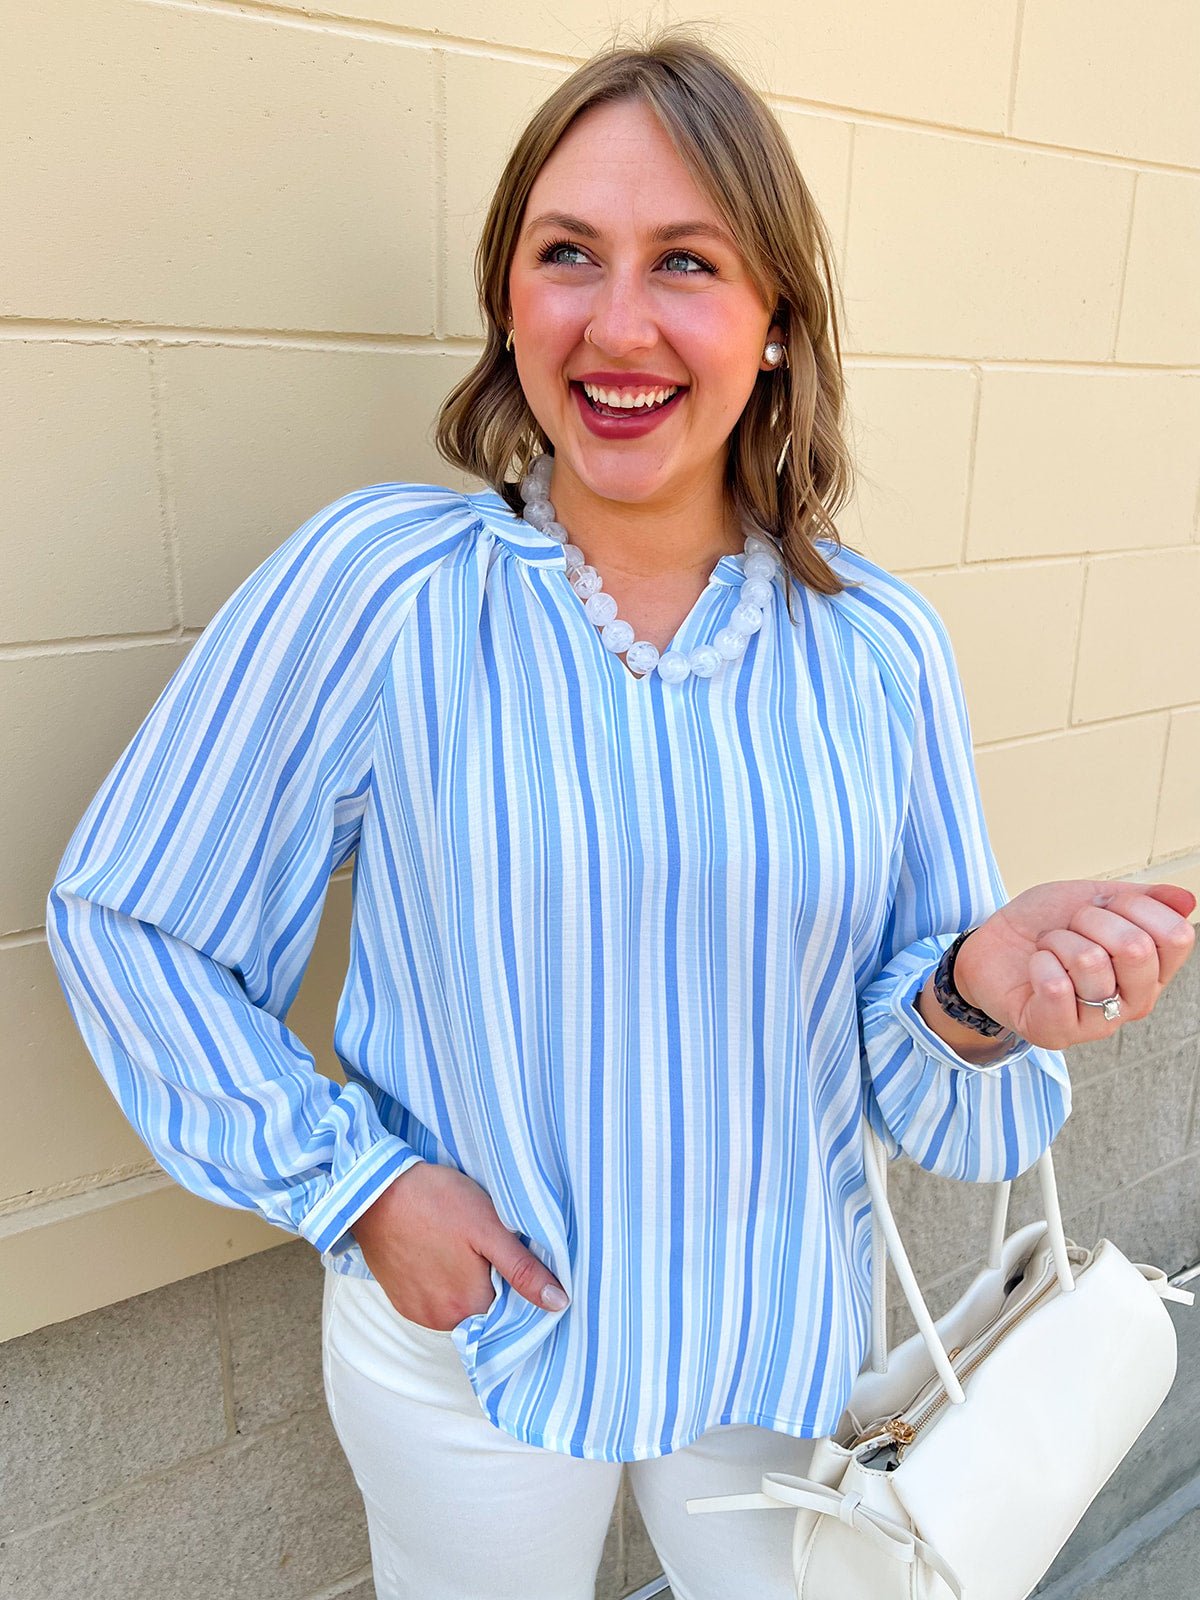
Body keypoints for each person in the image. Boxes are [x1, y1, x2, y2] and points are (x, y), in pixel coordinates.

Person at [45, 27, 1194, 1600]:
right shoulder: (386, 591)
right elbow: (133, 917)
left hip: (774, 1343)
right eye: (567, 252)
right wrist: (357, 1187)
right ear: (507, 296)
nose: (617, 322)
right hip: (478, 1351)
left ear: (776, 320)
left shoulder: (873, 649)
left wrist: (978, 995)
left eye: (689, 264)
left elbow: (934, 1098)